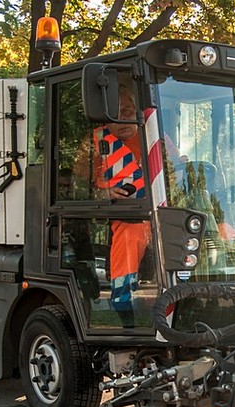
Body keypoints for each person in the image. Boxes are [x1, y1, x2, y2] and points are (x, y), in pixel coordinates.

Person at [92, 86, 151, 326]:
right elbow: (75, 185)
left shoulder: (156, 136)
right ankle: (124, 308)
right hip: (119, 215)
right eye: (114, 115)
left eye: (127, 111)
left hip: (158, 210)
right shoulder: (96, 142)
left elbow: (175, 171)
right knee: (129, 236)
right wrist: (103, 192)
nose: (122, 119)